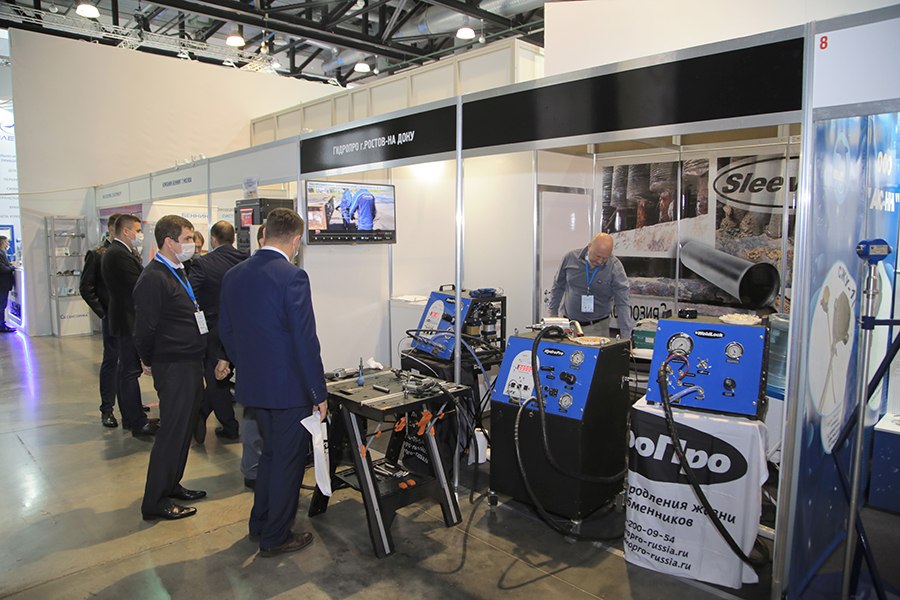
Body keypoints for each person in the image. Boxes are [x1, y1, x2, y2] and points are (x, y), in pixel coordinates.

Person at [219, 208, 327, 556]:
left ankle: (260, 523)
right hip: (289, 391)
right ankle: (276, 537)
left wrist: (250, 366)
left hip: (254, 387)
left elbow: (226, 331)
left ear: (264, 234)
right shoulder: (293, 277)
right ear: (296, 240)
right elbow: (305, 341)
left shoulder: (234, 274)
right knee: (287, 463)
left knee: (269, 456)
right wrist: (318, 391)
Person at [133, 215, 208, 521]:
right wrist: (149, 360)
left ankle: (172, 483)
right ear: (169, 241)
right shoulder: (154, 278)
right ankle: (155, 500)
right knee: (172, 433)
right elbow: (144, 330)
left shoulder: (177, 270)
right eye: (187, 239)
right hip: (173, 364)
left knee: (183, 430)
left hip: (189, 362)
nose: (193, 244)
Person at [189, 221, 246, 443]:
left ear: (213, 239)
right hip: (244, 330)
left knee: (216, 378)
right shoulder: (246, 260)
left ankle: (228, 425)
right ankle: (202, 412)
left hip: (215, 330)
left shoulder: (203, 264)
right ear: (233, 238)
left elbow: (190, 297)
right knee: (226, 375)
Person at [101, 214, 157, 436]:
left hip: (124, 317)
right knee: (130, 371)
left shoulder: (120, 251)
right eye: (137, 230)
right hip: (127, 319)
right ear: (126, 231)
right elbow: (139, 285)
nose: (140, 235)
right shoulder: (118, 254)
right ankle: (136, 422)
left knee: (127, 370)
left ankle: (130, 416)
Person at [548, 232, 634, 340]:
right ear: (589, 246)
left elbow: (622, 303)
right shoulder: (570, 258)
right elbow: (558, 286)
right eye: (597, 256)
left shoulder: (614, 267)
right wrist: (553, 314)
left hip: (597, 328)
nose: (600, 261)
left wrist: (626, 338)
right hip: (569, 326)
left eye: (604, 258)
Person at [80, 214, 123, 427]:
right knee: (111, 361)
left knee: (128, 363)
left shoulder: (128, 251)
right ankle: (107, 409)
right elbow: (86, 287)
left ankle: (128, 403)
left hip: (127, 316)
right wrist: (104, 313)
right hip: (111, 317)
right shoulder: (97, 254)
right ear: (113, 229)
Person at [0, 235, 16, 333]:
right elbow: (2, 269)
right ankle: (1, 326)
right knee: (1, 306)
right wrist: (13, 267)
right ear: (3, 243)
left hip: (3, 284)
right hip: (2, 284)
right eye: (7, 242)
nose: (8, 244)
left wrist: (9, 265)